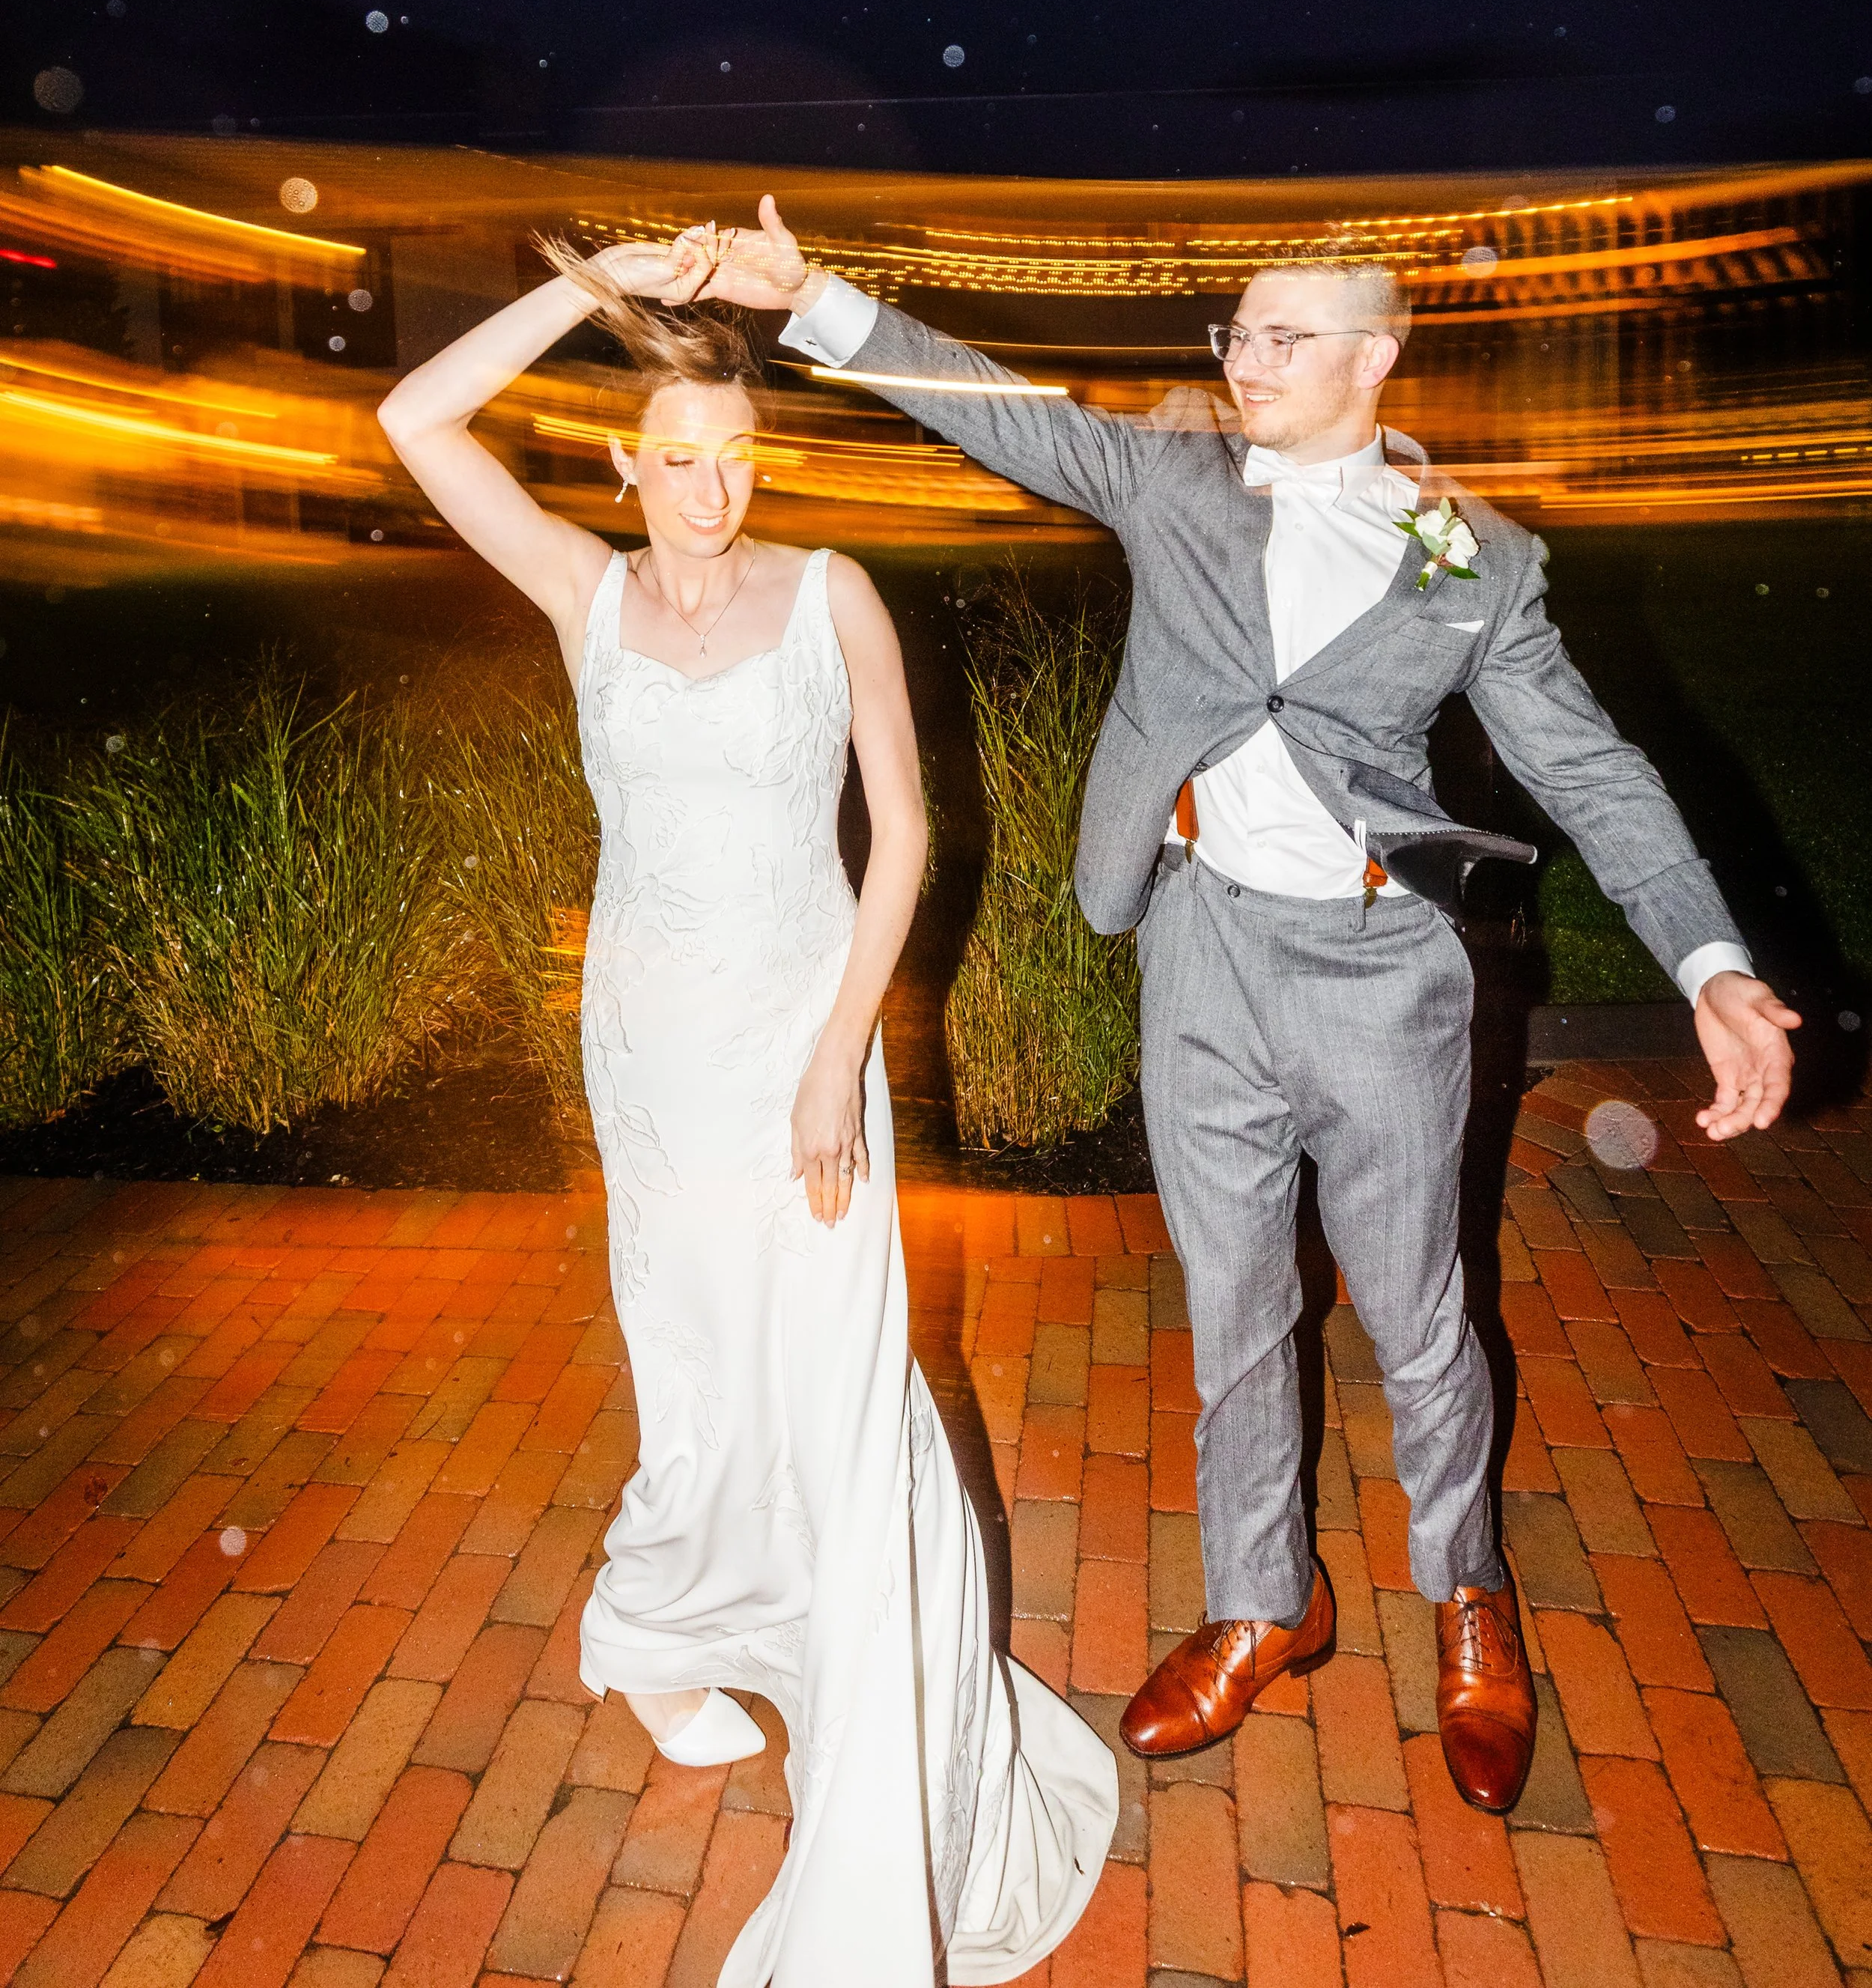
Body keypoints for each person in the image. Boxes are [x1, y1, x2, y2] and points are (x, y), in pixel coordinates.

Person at [699, 195, 1801, 1817]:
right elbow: (1001, 404)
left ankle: (1467, 1596)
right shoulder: (1175, 479)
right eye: (1234, 332)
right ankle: (1260, 1603)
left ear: (1375, 352)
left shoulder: (1466, 556)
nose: (1245, 361)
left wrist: (1708, 964)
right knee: (1233, 1318)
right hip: (1201, 949)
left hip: (1380, 973)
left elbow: (1589, 770)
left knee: (1419, 1314)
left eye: (1284, 337)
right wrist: (820, 302)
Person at [376, 229, 1116, 1986]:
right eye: (676, 458)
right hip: (646, 1054)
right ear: (626, 464)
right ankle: (663, 1632)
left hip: (801, 1037)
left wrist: (830, 1058)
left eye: (736, 456)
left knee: (836, 1386)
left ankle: (863, 1753)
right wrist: (585, 287)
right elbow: (413, 416)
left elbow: (910, 839)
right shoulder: (583, 590)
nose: (709, 491)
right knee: (692, 1358)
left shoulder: (831, 589)